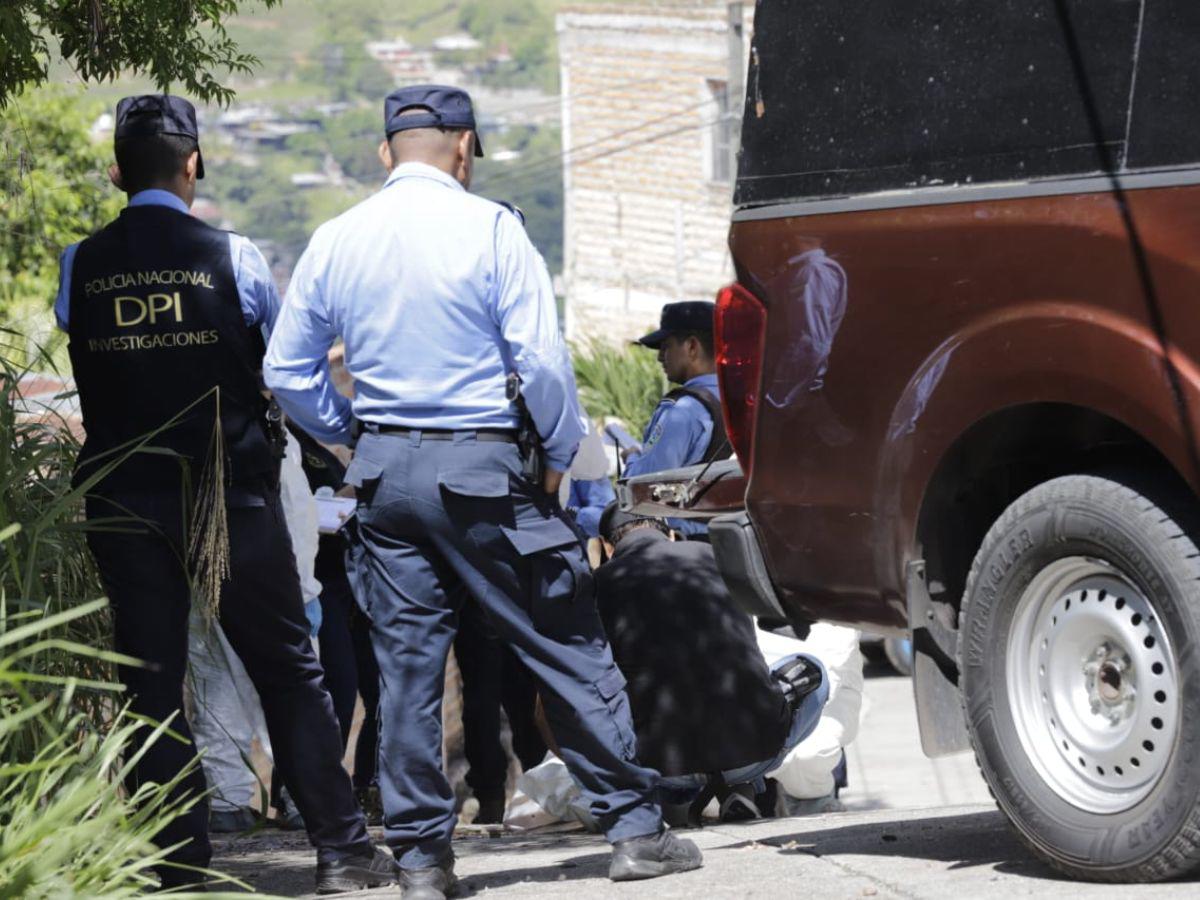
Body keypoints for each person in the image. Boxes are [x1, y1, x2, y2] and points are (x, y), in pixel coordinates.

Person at [264, 84, 702, 899]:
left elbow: (286, 370)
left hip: (384, 481)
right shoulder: (492, 229)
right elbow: (538, 363)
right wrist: (567, 448)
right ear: (464, 147)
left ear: (387, 152)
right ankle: (637, 831)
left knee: (406, 672)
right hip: (482, 474)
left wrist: (352, 431)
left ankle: (423, 863)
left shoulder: (336, 239)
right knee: (562, 640)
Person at [56, 94, 394, 893]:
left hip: (124, 499)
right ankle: (343, 853)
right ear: (194, 164)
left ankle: (176, 863)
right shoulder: (233, 256)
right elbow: (276, 367)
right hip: (230, 496)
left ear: (116, 171)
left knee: (150, 679)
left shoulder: (81, 263)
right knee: (286, 669)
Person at [595, 505, 828, 821]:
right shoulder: (715, 556)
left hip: (661, 765)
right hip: (755, 749)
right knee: (812, 668)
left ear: (607, 546)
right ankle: (741, 788)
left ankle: (671, 802)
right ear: (671, 533)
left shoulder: (598, 584)